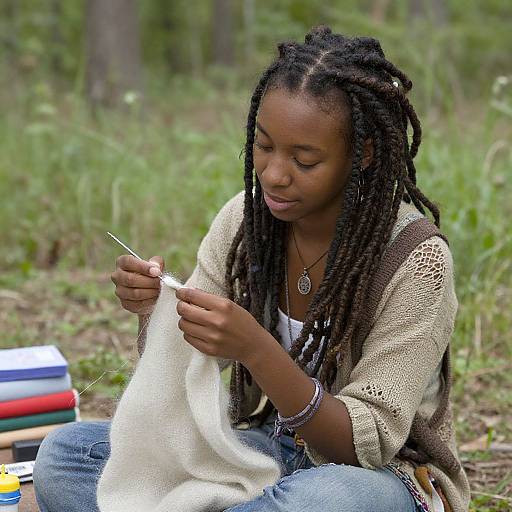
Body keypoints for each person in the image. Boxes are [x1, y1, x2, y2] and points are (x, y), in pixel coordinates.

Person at [33, 26, 470, 512]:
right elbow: (183, 364)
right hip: (268, 457)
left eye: (305, 160)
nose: (274, 173)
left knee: (317, 502)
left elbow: (360, 447)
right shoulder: (246, 222)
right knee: (66, 457)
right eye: (264, 146)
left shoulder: (417, 261)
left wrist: (257, 349)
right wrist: (157, 309)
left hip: (378, 481)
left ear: (362, 155)